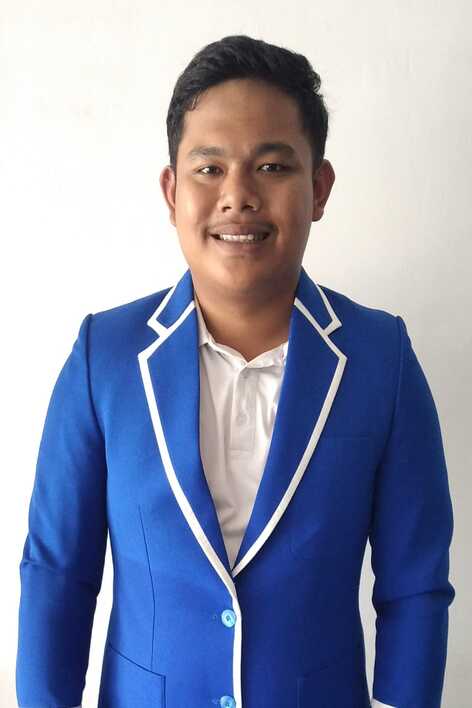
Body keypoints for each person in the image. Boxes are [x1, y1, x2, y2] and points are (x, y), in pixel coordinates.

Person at [16, 34, 455, 708]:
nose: (238, 196)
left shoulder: (381, 359)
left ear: (319, 188)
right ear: (172, 191)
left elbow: (414, 584)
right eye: (209, 168)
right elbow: (57, 573)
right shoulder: (104, 357)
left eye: (272, 166)